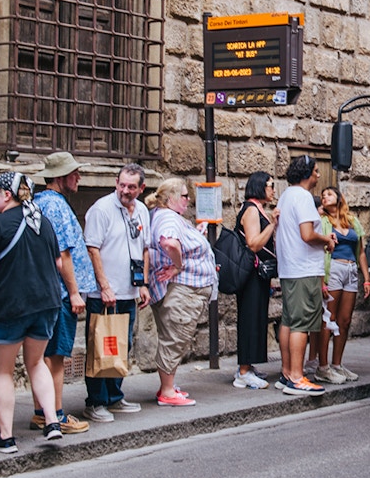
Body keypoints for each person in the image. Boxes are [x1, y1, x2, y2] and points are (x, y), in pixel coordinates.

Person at [0, 172, 65, 453]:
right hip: (46, 303)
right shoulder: (43, 222)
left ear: (7, 195)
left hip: (8, 306)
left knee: (4, 372)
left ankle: (6, 437)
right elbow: (58, 262)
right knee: (37, 363)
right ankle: (52, 421)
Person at [29, 152, 93, 435]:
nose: (78, 177)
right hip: (61, 295)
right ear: (59, 176)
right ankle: (54, 414)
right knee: (55, 356)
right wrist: (74, 292)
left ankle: (42, 411)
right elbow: (63, 253)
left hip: (47, 291)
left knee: (43, 355)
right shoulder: (55, 206)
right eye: (73, 172)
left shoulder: (41, 203)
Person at [82, 163, 150, 422]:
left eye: (132, 187)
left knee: (122, 345)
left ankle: (114, 396)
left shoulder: (141, 210)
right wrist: (104, 286)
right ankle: (95, 401)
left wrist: (142, 283)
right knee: (101, 345)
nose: (125, 190)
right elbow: (92, 249)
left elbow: (145, 249)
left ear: (141, 188)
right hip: (105, 294)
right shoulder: (102, 209)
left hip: (129, 290)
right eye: (122, 184)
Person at [145, 178, 217, 407]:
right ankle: (167, 392)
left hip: (184, 289)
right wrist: (177, 265)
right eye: (184, 196)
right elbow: (169, 243)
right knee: (174, 336)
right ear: (171, 198)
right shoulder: (167, 216)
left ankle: (167, 386)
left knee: (176, 335)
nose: (188, 200)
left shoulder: (167, 216)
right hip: (181, 289)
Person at [274, 156, 335, 396]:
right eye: (317, 171)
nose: (319, 176)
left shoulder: (286, 195)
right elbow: (308, 234)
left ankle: (287, 373)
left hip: (289, 268)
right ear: (307, 173)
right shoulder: (304, 197)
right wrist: (327, 240)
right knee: (301, 324)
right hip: (304, 268)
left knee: (289, 321)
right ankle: (298, 378)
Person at [315, 187, 370, 385]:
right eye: (323, 195)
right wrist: (322, 280)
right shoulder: (322, 222)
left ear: (339, 199)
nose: (324, 196)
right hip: (334, 268)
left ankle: (337, 364)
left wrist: (366, 277)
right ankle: (322, 367)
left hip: (351, 270)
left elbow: (361, 252)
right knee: (328, 320)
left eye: (329, 193)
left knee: (345, 320)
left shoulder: (352, 220)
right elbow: (318, 251)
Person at [232, 171, 277, 390]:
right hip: (251, 274)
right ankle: (243, 372)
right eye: (270, 185)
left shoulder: (257, 209)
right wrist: (272, 225)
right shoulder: (250, 210)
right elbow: (254, 244)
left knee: (257, 317)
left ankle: (248, 366)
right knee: (250, 318)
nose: (273, 190)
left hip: (259, 275)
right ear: (259, 186)